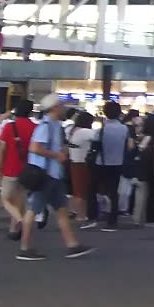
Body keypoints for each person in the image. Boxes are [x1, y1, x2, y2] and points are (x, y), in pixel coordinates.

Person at [17, 95, 94, 261]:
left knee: (61, 210)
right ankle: (25, 247)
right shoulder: (46, 125)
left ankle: (72, 245)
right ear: (54, 108)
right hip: (45, 175)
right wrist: (56, 155)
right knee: (34, 211)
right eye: (60, 105)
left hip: (53, 175)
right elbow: (34, 148)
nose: (63, 107)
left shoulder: (54, 125)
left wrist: (61, 152)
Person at [0, 100, 36, 238]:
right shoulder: (35, 127)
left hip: (10, 169)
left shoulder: (9, 127)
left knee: (6, 199)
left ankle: (20, 220)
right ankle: (14, 230)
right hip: (27, 170)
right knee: (19, 199)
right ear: (30, 112)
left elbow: (1, 150)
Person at [85, 101, 130, 231]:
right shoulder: (125, 129)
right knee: (113, 192)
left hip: (101, 163)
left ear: (105, 113)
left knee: (92, 190)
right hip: (117, 163)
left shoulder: (101, 130)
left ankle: (92, 217)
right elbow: (127, 145)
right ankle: (112, 221)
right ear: (119, 113)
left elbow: (94, 147)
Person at [66, 112, 96, 223]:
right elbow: (99, 136)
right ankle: (81, 215)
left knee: (76, 190)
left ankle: (75, 211)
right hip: (82, 163)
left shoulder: (72, 130)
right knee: (82, 192)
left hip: (73, 162)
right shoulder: (85, 132)